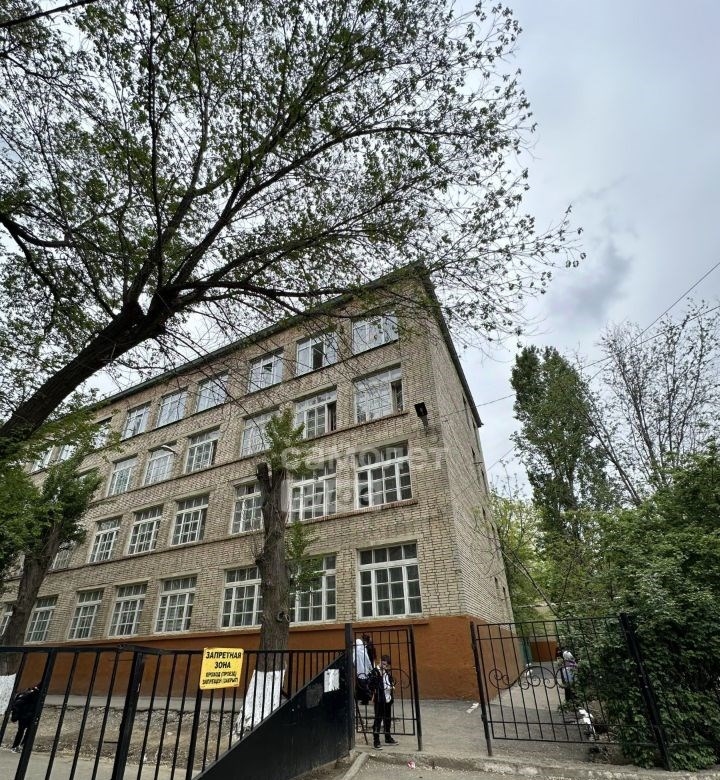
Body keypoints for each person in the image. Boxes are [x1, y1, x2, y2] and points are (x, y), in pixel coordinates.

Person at [369, 654, 398, 749]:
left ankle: (388, 737)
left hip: (387, 698)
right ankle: (376, 741)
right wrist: (379, 677)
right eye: (383, 663)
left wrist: (391, 685)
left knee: (387, 719)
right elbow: (371, 685)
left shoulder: (387, 672)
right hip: (379, 699)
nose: (384, 666)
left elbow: (389, 681)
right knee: (378, 719)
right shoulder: (374, 672)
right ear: (380, 661)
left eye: (386, 665)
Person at [9, 684, 41, 753]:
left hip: (26, 716)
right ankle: (18, 746)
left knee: (24, 732)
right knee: (25, 731)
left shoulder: (31, 694)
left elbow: (17, 705)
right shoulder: (32, 694)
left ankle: (19, 746)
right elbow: (17, 705)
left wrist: (14, 717)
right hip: (26, 716)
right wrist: (14, 717)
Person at [354, 635, 373, 705]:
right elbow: (368, 660)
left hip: (359, 671)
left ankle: (364, 699)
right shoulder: (364, 650)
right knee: (364, 685)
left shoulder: (355, 651)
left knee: (361, 686)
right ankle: (365, 699)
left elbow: (353, 662)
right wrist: (370, 668)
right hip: (365, 670)